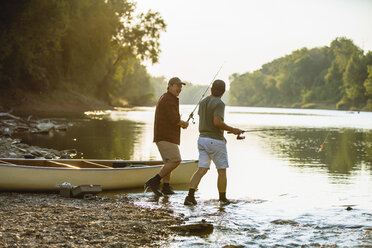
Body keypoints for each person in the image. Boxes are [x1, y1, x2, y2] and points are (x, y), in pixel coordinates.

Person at [184, 79, 243, 205]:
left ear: (211, 89)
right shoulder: (219, 103)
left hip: (202, 140)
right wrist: (234, 130)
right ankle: (222, 199)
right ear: (223, 91)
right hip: (215, 141)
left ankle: (190, 196)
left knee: (201, 170)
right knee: (221, 170)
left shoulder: (203, 102)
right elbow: (217, 122)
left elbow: (206, 118)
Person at [145, 77, 189, 196]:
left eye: (181, 86)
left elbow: (172, 120)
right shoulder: (169, 99)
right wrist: (183, 123)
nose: (179, 89)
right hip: (165, 137)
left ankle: (165, 187)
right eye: (177, 86)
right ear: (170, 86)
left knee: (169, 162)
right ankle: (154, 181)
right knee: (176, 160)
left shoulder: (167, 97)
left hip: (165, 136)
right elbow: (174, 119)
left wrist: (180, 124)